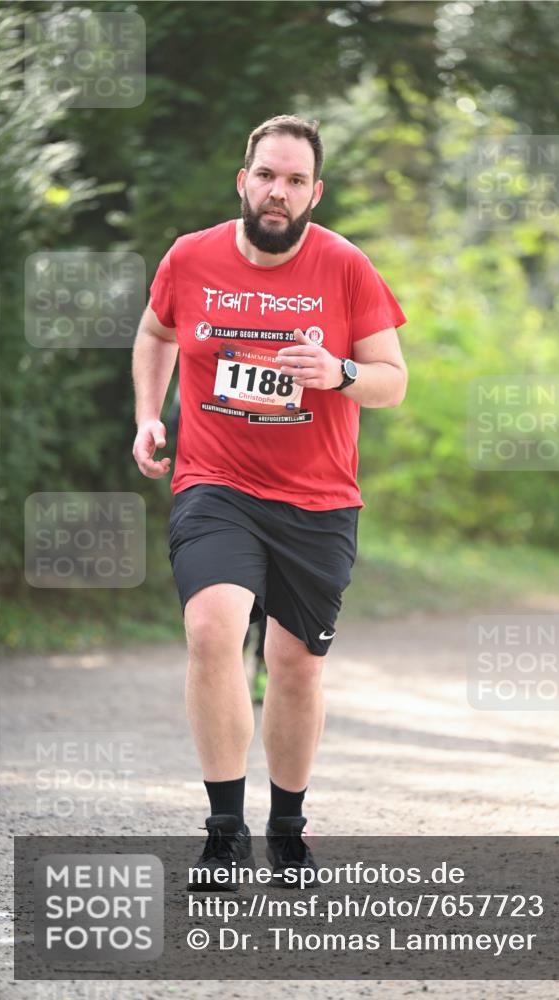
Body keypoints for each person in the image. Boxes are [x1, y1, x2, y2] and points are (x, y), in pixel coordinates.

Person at [131, 114, 407, 887]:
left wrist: (338, 374)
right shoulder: (191, 257)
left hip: (317, 500)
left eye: (293, 180)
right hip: (215, 483)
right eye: (266, 175)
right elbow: (155, 333)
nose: (277, 192)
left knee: (293, 666)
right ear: (243, 180)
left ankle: (288, 830)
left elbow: (392, 379)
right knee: (214, 631)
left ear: (313, 192)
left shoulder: (345, 267)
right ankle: (224, 833)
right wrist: (150, 415)